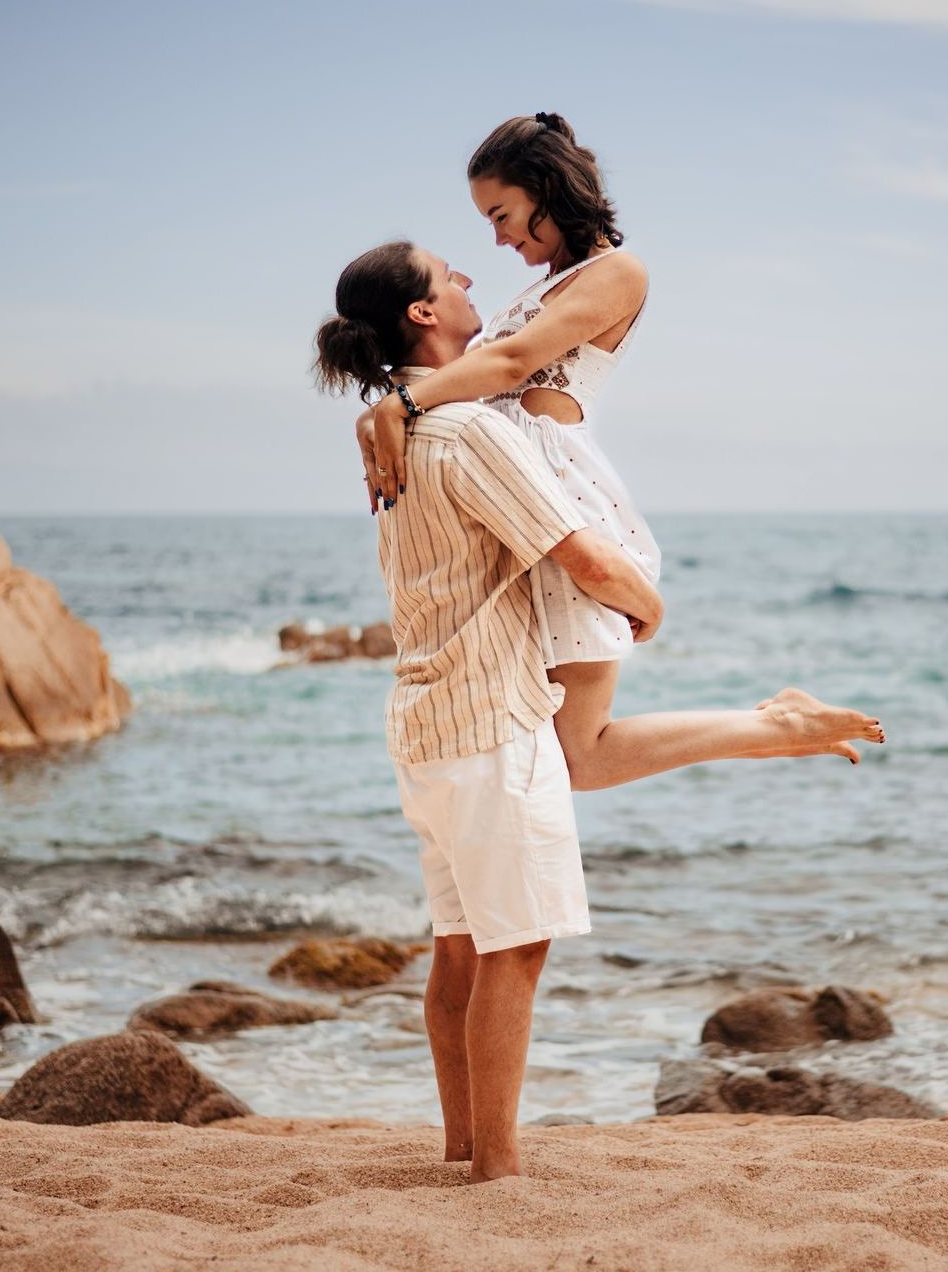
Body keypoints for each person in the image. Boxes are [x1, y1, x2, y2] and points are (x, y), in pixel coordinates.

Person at [314, 240, 884, 1183]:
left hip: (424, 726)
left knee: (459, 950)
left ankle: (463, 1147)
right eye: (448, 274)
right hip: (492, 725)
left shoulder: (398, 435)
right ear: (422, 314)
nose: (468, 279)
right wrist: (648, 606)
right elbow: (581, 556)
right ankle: (497, 1169)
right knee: (515, 950)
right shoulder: (467, 431)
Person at [356, 113, 883, 789]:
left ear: (547, 189)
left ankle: (782, 725)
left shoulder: (618, 273)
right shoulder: (543, 285)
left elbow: (512, 361)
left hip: (560, 492)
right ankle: (780, 728)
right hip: (518, 498)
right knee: (562, 746)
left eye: (502, 215)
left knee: (582, 753)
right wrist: (389, 408)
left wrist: (398, 404)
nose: (498, 238)